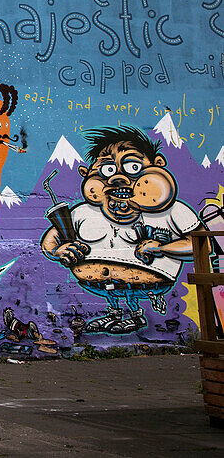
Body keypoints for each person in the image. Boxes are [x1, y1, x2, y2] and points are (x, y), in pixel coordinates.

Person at [40, 125, 200, 334]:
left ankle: (136, 316)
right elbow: (51, 239)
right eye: (107, 170)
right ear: (86, 175)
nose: (118, 179)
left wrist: (162, 247)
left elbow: (197, 245)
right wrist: (57, 250)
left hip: (148, 283)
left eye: (133, 167)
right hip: (97, 283)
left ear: (158, 166)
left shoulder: (173, 211)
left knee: (130, 294)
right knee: (112, 292)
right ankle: (114, 314)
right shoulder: (83, 212)